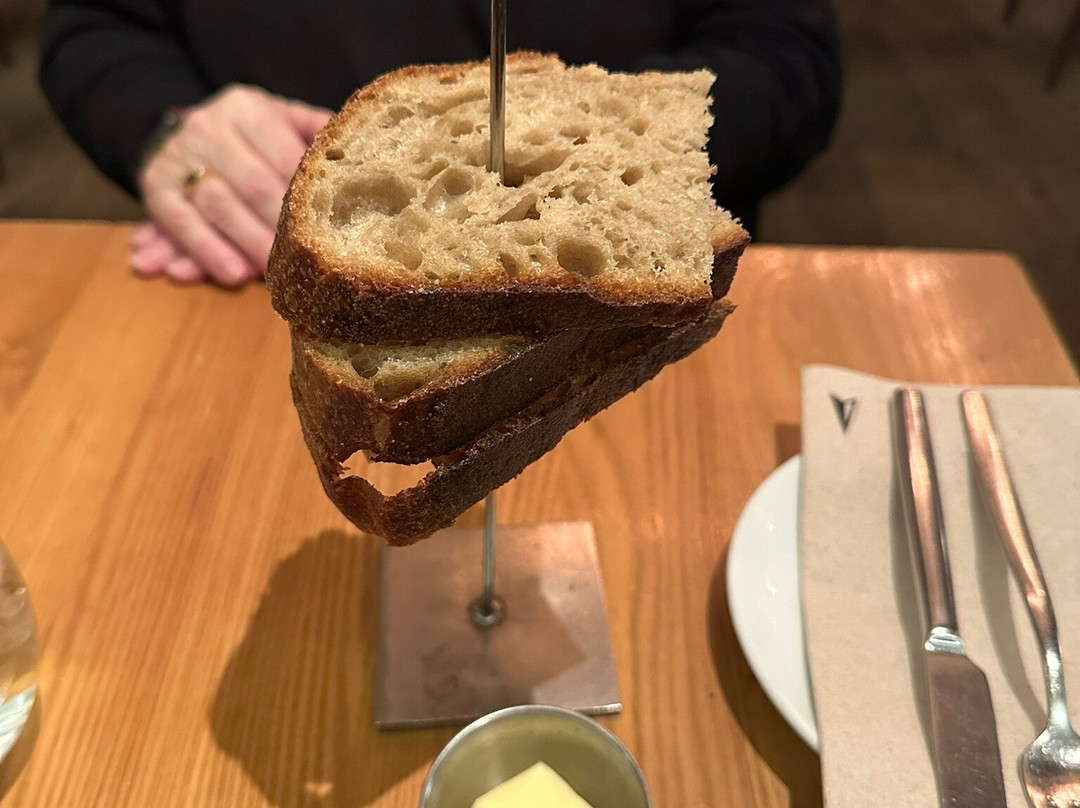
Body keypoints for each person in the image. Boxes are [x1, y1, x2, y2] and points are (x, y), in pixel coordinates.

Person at [40, 0, 841, 288]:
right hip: (255, 286)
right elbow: (96, 27)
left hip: (625, 315)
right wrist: (168, 130)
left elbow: (786, 59)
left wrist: (603, 159)